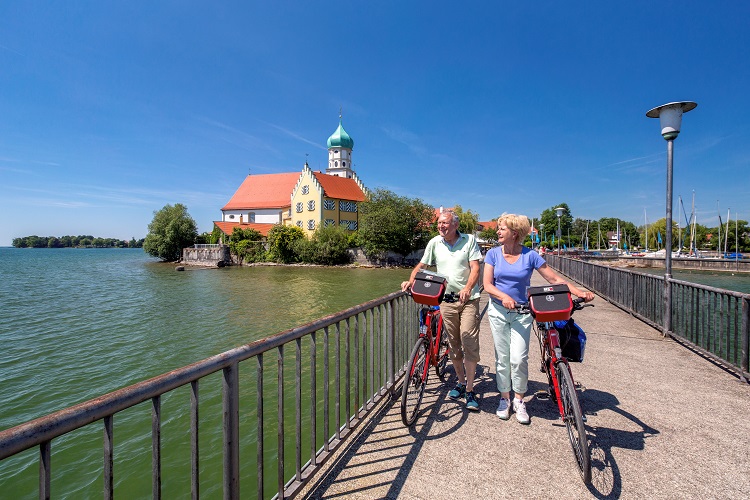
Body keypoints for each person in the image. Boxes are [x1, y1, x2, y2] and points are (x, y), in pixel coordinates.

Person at [483, 213, 593, 424]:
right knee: (502, 358)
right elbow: (488, 285)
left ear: (514, 233)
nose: (497, 231)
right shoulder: (493, 254)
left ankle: (519, 400)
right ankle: (505, 398)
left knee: (518, 358)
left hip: (522, 313)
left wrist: (578, 292)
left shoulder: (530, 255)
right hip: (498, 310)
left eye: (502, 228)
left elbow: (553, 279)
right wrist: (503, 296)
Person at [401, 210, 482, 411]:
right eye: (439, 223)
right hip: (445, 300)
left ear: (455, 224)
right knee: (454, 344)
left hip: (468, 299)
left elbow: (476, 268)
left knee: (467, 338)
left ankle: (471, 389)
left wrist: (467, 288)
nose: (440, 226)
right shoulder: (435, 243)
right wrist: (410, 281)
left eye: (444, 223)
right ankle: (461, 383)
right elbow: (422, 265)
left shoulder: (469, 240)